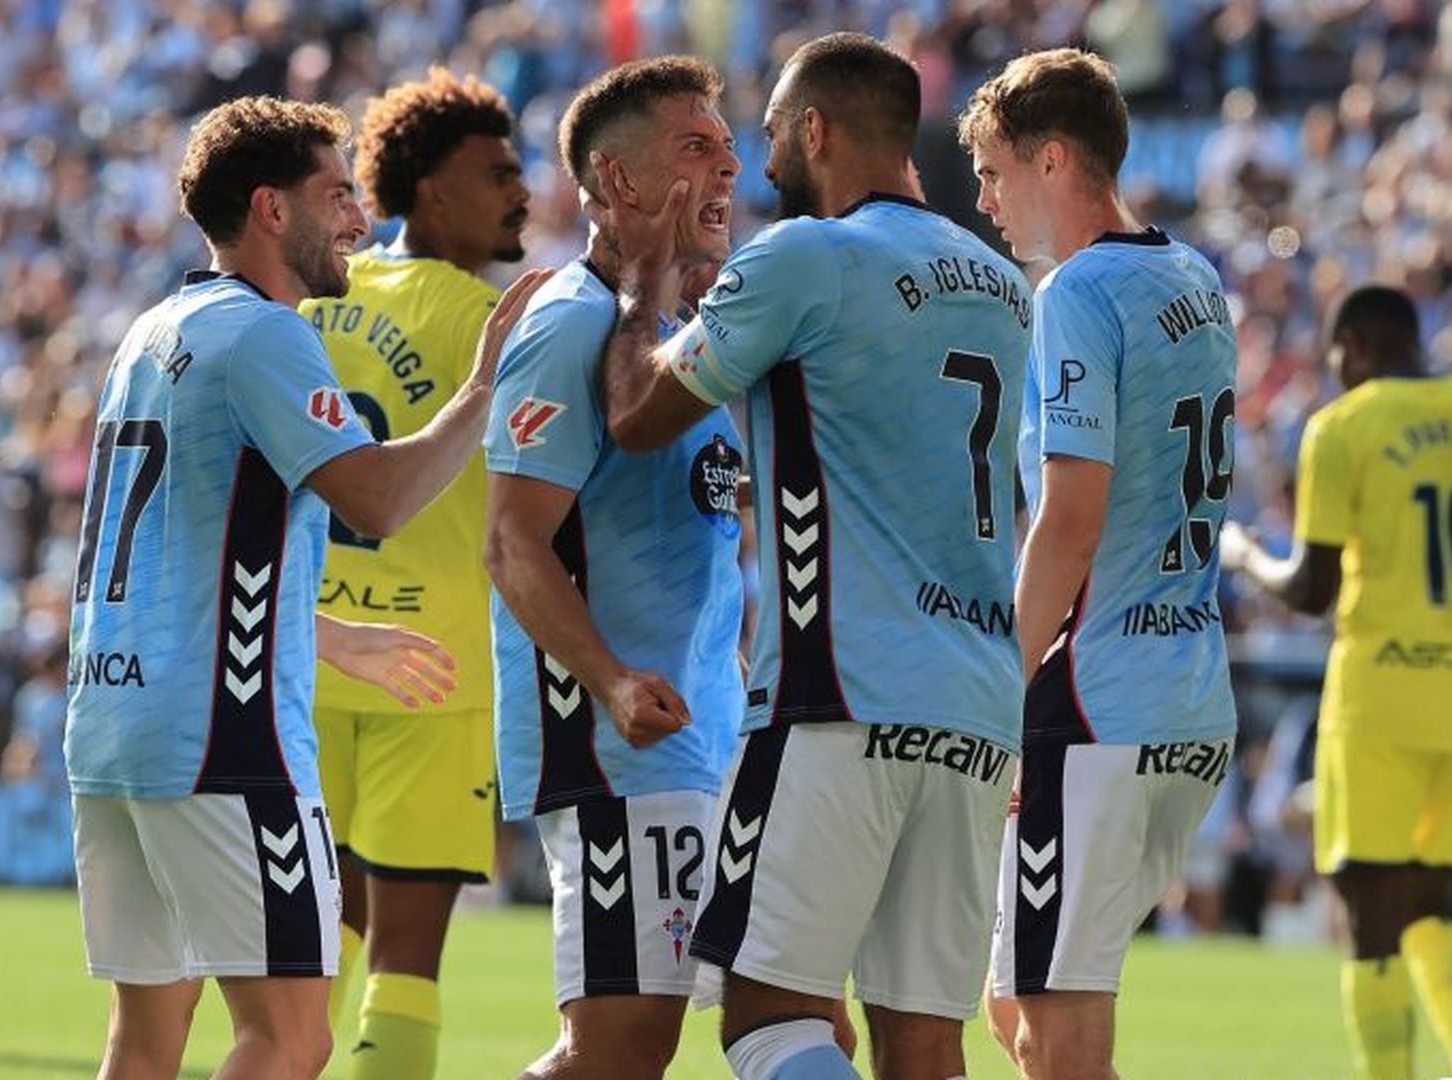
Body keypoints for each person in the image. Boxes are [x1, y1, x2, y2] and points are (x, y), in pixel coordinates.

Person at [62, 95, 546, 1080]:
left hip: (112, 728)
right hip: (223, 744)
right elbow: (377, 499)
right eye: (335, 195)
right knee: (290, 1036)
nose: (357, 221)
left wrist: (322, 632)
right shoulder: (265, 333)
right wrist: (485, 387)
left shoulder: (150, 330)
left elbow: (176, 555)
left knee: (145, 1044)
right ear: (271, 210)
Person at [598, 33, 1032, 1080]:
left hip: (837, 694)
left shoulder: (804, 256)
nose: (765, 160)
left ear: (817, 129)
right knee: (923, 1040)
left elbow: (640, 415)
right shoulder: (1003, 281)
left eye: (776, 135)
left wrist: (638, 287)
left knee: (768, 1018)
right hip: (976, 706)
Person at [956, 48, 1240, 1080]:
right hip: (1189, 698)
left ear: (1052, 160)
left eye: (992, 171)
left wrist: (999, 686)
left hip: (1095, 702)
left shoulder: (1077, 292)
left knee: (1059, 1038)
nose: (983, 199)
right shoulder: (1191, 276)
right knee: (1014, 1007)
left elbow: (1071, 519)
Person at [484, 55, 744, 1080]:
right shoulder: (573, 324)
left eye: (728, 147)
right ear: (622, 181)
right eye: (697, 147)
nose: (730, 166)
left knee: (771, 1025)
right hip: (618, 753)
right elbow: (512, 542)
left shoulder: (683, 335)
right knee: (620, 1054)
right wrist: (612, 677)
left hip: (702, 740)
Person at [298, 68, 529, 1080]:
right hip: (438, 670)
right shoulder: (500, 322)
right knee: (409, 950)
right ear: (434, 191)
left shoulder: (312, 301)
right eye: (499, 173)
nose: (522, 191)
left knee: (321, 933)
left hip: (310, 653)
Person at [1223, 284, 1452, 1080]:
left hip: (1381, 695)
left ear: (1354, 344)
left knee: (1370, 912)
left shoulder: (1343, 426)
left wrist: (1246, 556)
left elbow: (1313, 591)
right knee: (1429, 899)